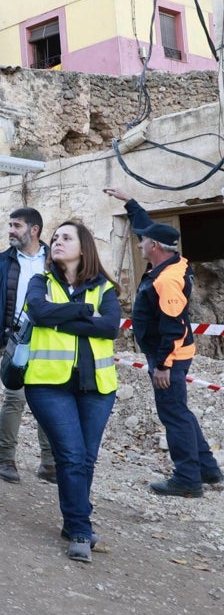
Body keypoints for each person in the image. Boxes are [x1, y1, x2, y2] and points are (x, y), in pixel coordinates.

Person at [105, 188, 221, 496]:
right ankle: (208, 470)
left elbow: (171, 328)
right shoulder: (170, 263)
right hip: (172, 353)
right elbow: (145, 227)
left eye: (143, 241)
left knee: (173, 415)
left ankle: (187, 479)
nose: (139, 242)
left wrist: (163, 366)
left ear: (155, 246)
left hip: (170, 355)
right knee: (179, 410)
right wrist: (130, 203)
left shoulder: (167, 280)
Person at [23, 221, 121, 562]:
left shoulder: (104, 287)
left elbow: (110, 327)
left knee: (85, 459)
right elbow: (38, 312)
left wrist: (59, 318)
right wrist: (82, 312)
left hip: (97, 386)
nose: (57, 242)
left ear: (84, 247)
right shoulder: (40, 282)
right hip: (48, 384)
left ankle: (73, 519)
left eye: (66, 237)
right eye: (55, 237)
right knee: (71, 456)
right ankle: (80, 529)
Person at [0, 208, 55, 483]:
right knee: (14, 399)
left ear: (34, 230)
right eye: (10, 225)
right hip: (17, 341)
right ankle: (6, 459)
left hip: (51, 342)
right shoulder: (0, 263)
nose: (11, 230)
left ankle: (49, 464)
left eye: (16, 225)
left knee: (48, 401)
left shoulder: (55, 260)